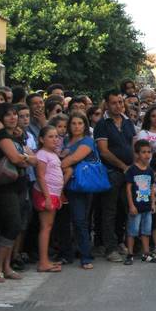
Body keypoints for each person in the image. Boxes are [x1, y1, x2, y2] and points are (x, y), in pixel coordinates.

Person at [0, 103, 34, 283]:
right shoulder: (1, 136)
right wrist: (27, 159)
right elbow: (17, 158)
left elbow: (29, 158)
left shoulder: (18, 136)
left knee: (16, 226)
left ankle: (6, 266)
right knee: (11, 225)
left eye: (15, 114)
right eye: (8, 115)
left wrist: (27, 158)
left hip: (20, 184)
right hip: (5, 186)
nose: (13, 118)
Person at [94, 90, 137, 263]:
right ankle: (109, 247)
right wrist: (123, 166)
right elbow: (104, 151)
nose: (118, 106)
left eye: (120, 102)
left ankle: (120, 241)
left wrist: (134, 166)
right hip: (111, 172)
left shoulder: (128, 122)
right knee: (109, 211)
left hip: (127, 173)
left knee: (123, 209)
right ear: (107, 104)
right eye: (114, 103)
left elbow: (133, 145)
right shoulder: (102, 124)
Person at [60, 113, 96, 269]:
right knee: (63, 222)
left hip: (80, 185)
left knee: (80, 221)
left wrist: (56, 165)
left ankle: (85, 256)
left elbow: (73, 159)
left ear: (85, 125)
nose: (76, 126)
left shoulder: (87, 141)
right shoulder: (65, 140)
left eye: (80, 123)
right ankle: (66, 254)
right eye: (73, 123)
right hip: (64, 184)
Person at [33, 126, 65, 274]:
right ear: (41, 139)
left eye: (56, 136)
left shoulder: (52, 154)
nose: (55, 139)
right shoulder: (42, 154)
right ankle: (43, 262)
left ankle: (45, 259)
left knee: (49, 226)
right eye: (50, 137)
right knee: (46, 227)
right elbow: (40, 176)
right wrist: (47, 197)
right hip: (47, 194)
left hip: (54, 193)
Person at [125, 140, 156, 265]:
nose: (147, 155)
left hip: (147, 206)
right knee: (132, 231)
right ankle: (130, 254)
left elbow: (151, 188)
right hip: (136, 206)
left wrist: (153, 203)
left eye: (149, 152)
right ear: (137, 154)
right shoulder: (132, 170)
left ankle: (146, 253)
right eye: (143, 152)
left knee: (146, 231)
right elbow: (128, 188)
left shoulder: (149, 171)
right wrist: (131, 205)